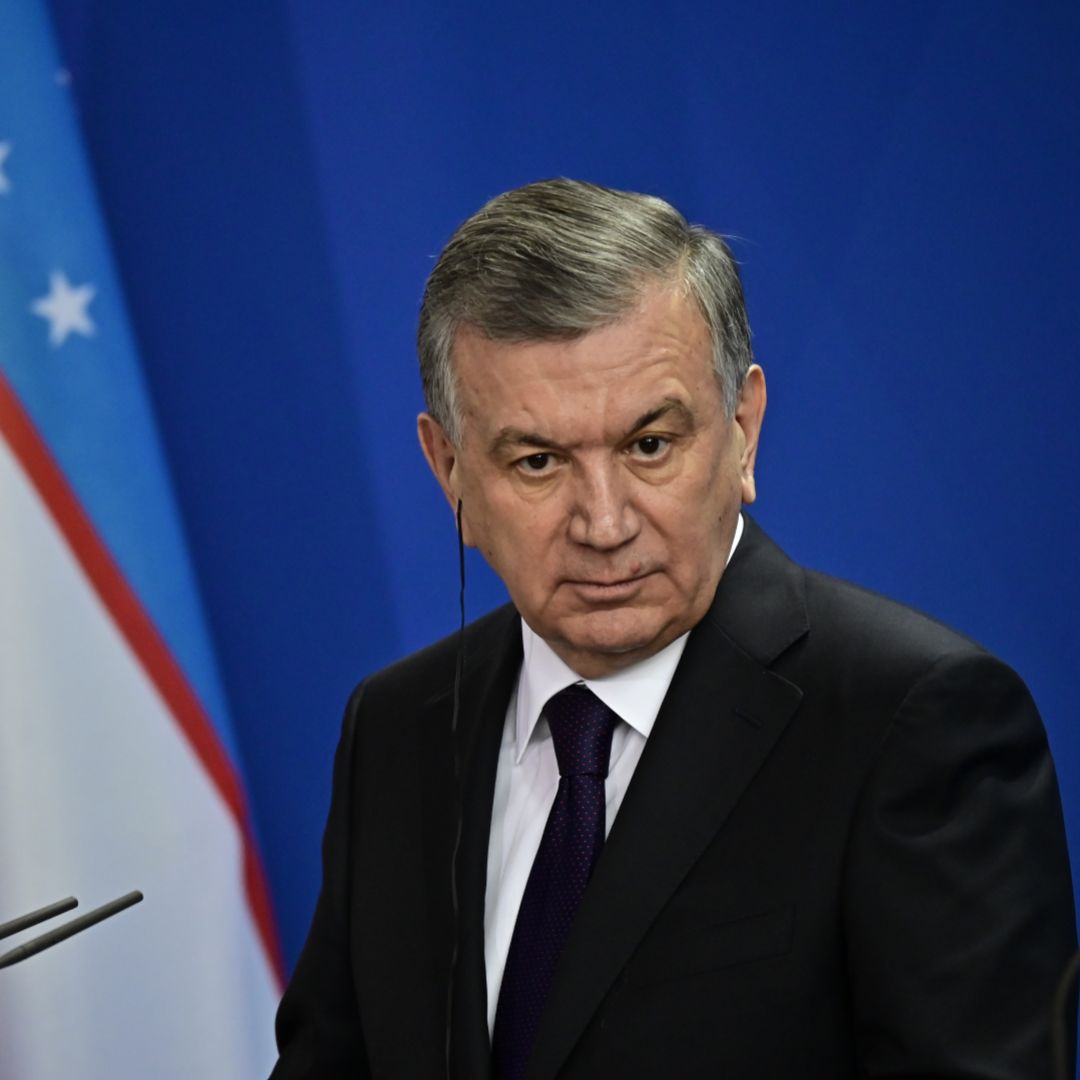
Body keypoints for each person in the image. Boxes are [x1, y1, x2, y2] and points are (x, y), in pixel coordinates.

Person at [270, 179, 1076, 1079]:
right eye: (538, 462)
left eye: (650, 445)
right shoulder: (396, 727)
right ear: (450, 470)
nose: (605, 522)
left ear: (742, 431)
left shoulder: (913, 724)